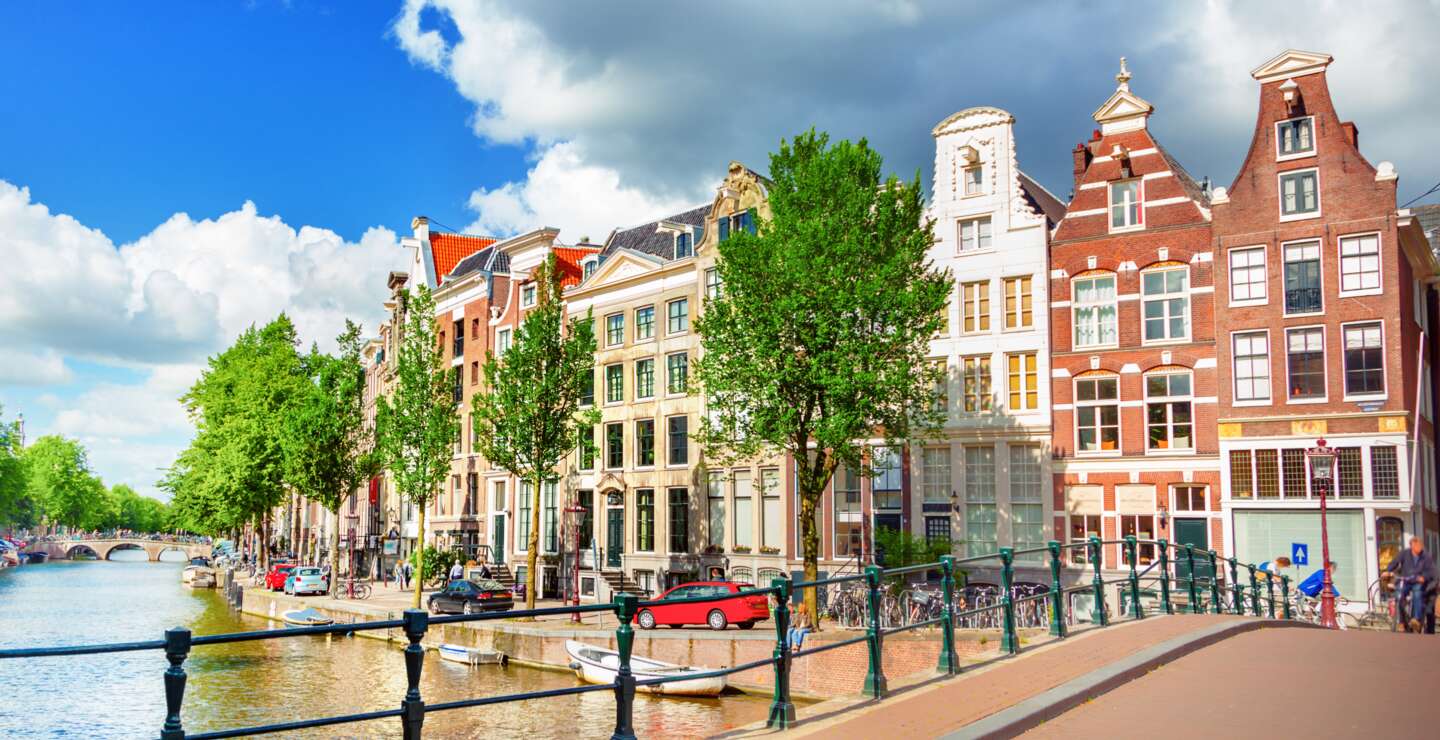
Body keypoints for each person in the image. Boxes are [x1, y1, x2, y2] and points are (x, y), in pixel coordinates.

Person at [1384, 536, 1437, 633]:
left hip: (1418, 581)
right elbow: (1395, 562)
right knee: (1399, 595)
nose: (1419, 547)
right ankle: (1401, 621)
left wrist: (1424, 577)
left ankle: (1416, 619)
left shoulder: (1426, 556)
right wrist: (1388, 571)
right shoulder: (1404, 553)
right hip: (1406, 581)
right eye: (1416, 545)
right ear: (1411, 546)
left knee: (1417, 593)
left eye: (1420, 545)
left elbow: (1431, 571)